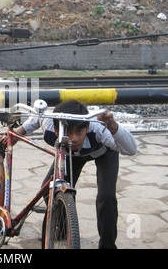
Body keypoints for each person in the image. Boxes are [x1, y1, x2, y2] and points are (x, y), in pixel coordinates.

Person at [15, 99, 137, 249]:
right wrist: (13, 136)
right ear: (55, 130)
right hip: (70, 155)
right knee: (49, 191)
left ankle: (107, 244)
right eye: (67, 133)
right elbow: (32, 122)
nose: (74, 138)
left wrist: (113, 125)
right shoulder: (48, 123)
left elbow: (131, 149)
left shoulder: (99, 128)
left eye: (79, 131)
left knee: (107, 197)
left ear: (87, 127)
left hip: (103, 152)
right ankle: (64, 227)